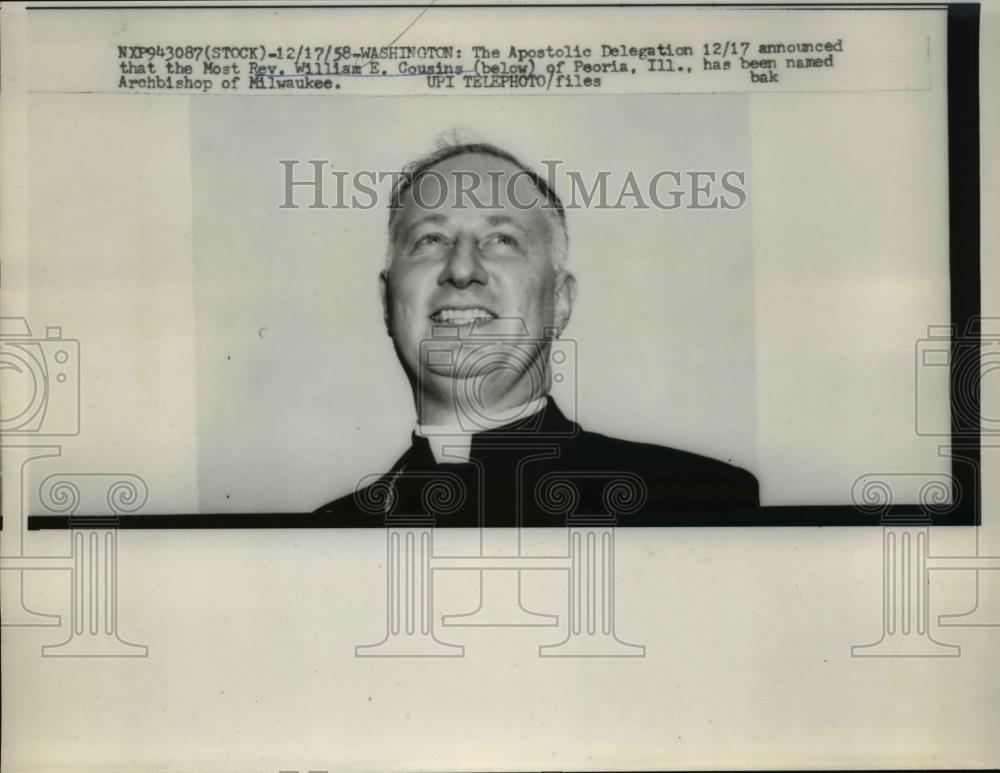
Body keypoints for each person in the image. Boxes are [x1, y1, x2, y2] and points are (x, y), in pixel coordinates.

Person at [316, 141, 758, 524]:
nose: (462, 269)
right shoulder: (329, 534)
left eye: (502, 240)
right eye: (431, 239)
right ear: (387, 302)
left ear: (560, 301)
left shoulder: (697, 498)